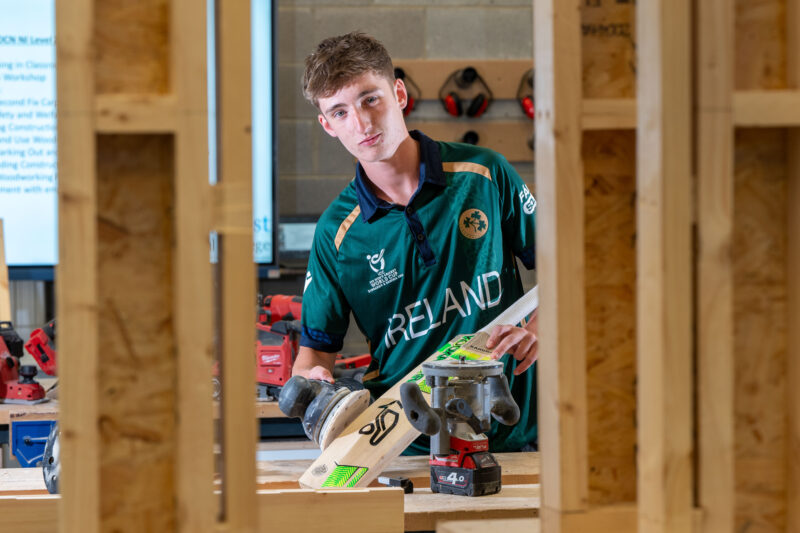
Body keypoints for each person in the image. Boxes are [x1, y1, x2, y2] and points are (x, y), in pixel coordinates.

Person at [292, 31, 538, 454]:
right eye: (340, 112)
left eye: (371, 99)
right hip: (406, 450)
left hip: (513, 432)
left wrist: (542, 328)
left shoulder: (485, 174)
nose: (362, 123)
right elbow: (315, 354)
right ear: (327, 125)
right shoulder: (335, 232)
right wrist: (313, 381)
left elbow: (572, 266)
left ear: (399, 93)